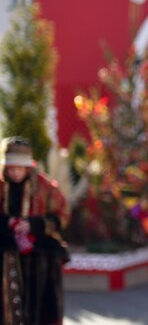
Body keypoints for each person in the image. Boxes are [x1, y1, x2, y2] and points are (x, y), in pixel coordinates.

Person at [0, 136, 69, 325]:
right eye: (11, 168)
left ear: (29, 167)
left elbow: (62, 216)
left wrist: (34, 225)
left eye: (20, 168)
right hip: (5, 256)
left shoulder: (45, 186)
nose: (15, 173)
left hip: (39, 259)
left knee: (39, 310)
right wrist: (7, 223)